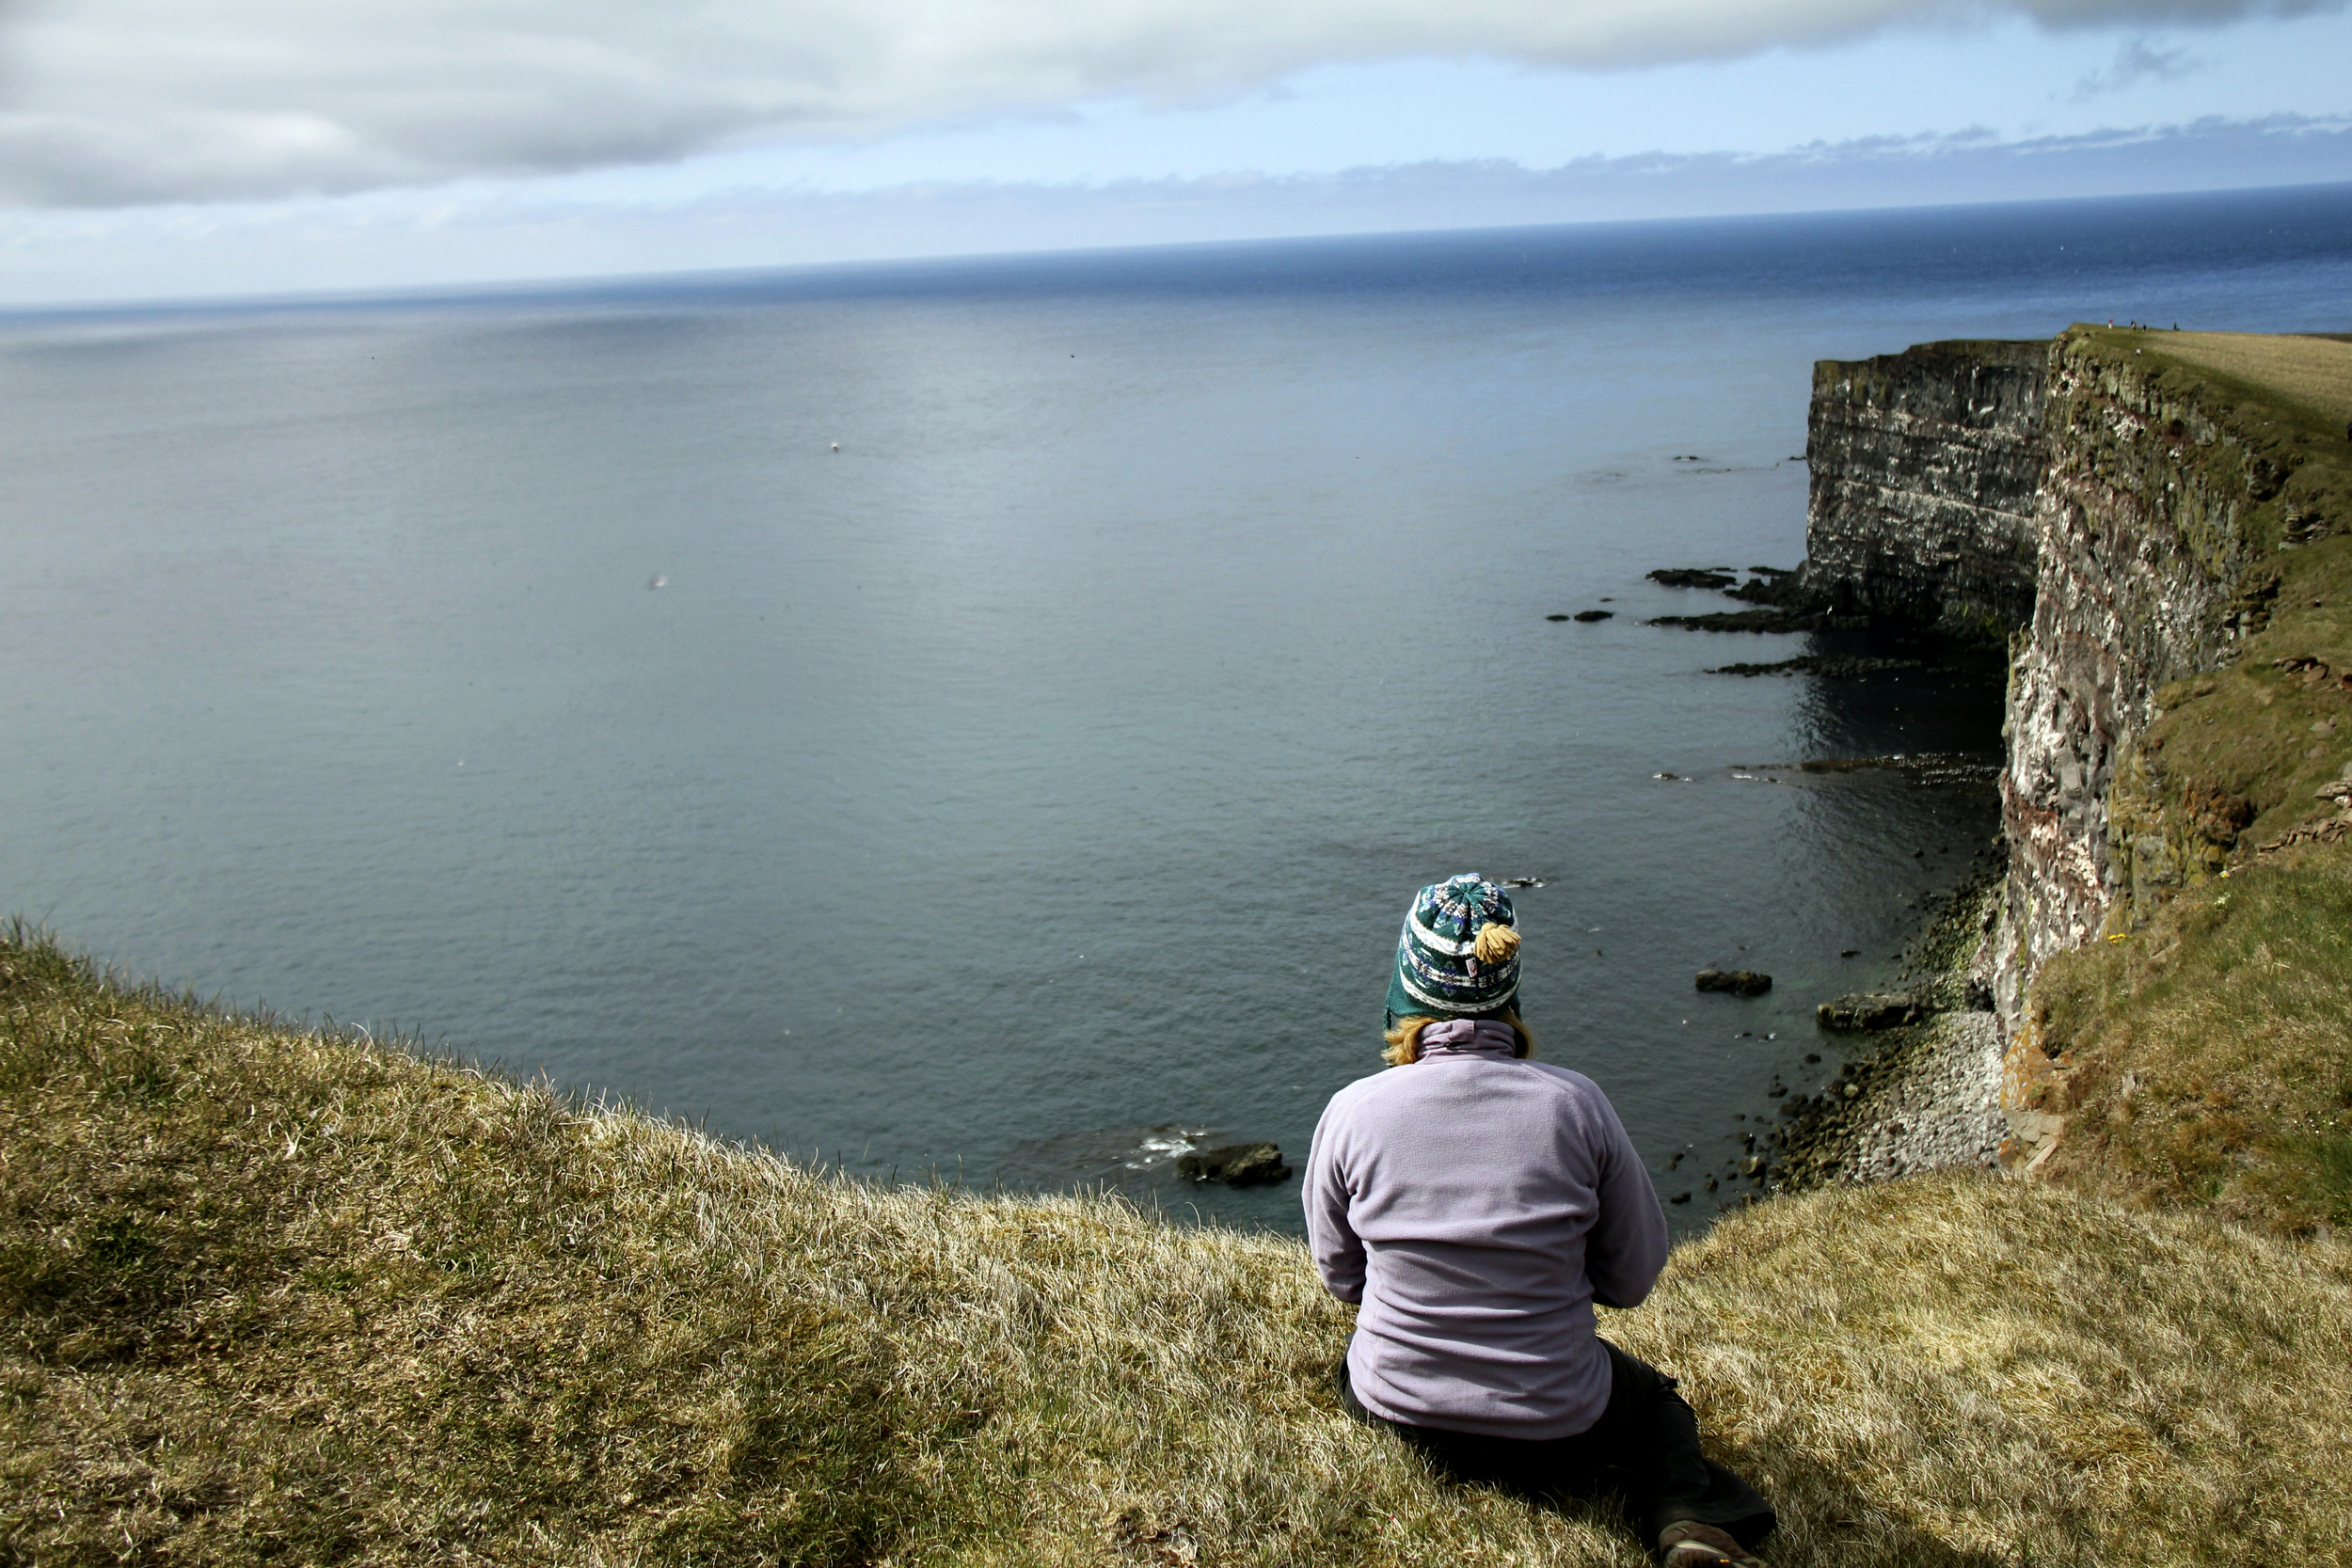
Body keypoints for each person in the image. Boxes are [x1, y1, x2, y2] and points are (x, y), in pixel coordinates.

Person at [1305, 874, 1775, 1568]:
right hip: (1557, 1426)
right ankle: (1688, 1521)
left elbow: (1341, 1275)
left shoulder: (1352, 1111)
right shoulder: (1574, 1107)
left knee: (1357, 1361)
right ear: (1509, 987)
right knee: (1657, 1404)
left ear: (1408, 983)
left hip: (1396, 1410)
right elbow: (1633, 1276)